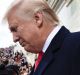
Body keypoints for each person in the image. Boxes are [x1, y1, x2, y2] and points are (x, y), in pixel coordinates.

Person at [4, 0, 80, 75]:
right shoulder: (40, 62)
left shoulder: (76, 45)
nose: (14, 39)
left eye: (15, 29)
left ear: (37, 19)